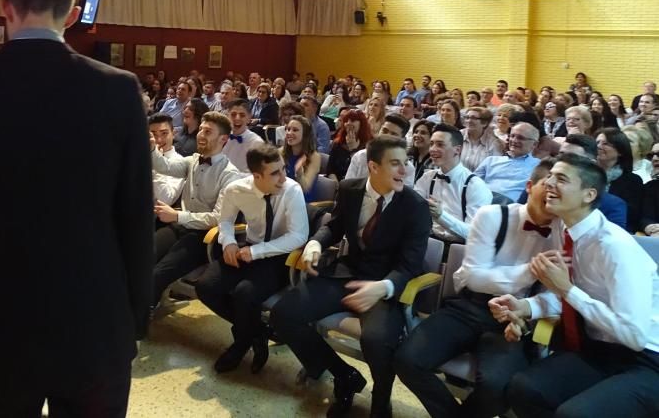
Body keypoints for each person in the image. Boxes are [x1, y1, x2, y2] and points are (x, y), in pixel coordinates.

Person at [0, 0, 152, 417]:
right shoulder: (118, 90)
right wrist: (134, 315)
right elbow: (135, 214)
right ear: (71, 16)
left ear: (5, 8)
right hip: (94, 318)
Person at [270, 136, 431, 418]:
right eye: (395, 164)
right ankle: (343, 375)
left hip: (384, 284)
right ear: (373, 166)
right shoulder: (350, 189)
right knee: (283, 314)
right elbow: (334, 225)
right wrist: (316, 242)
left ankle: (381, 401)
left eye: (405, 163)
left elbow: (411, 264)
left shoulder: (414, 206)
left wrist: (383, 287)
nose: (404, 171)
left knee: (377, 340)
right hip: (346, 273)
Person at [493, 153, 659, 418]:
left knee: (575, 414)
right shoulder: (564, 229)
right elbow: (577, 296)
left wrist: (566, 289)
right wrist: (527, 306)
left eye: (561, 179)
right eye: (549, 176)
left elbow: (635, 335)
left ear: (588, 195)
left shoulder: (614, 247)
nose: (548, 183)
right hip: (600, 348)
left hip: (647, 358)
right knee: (523, 388)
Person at [396, 159, 559, 418]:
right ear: (529, 186)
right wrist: (532, 271)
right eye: (548, 185)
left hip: (516, 319)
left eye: (561, 188)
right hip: (471, 305)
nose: (554, 193)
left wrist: (527, 311)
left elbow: (561, 293)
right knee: (407, 359)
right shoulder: (494, 216)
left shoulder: (566, 234)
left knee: (499, 386)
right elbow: (475, 278)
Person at [196, 144, 309, 374]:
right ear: (256, 176)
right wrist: (228, 241)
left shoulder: (291, 189)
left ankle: (240, 343)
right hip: (249, 247)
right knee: (206, 287)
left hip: (280, 256)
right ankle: (257, 332)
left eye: (283, 169)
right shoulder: (236, 189)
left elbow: (299, 236)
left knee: (245, 294)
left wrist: (256, 252)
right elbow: (225, 221)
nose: (282, 177)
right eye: (275, 173)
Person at [151, 111, 241, 306]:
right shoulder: (192, 160)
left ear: (223, 139)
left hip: (204, 236)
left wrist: (177, 215)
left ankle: (139, 322)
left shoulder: (230, 174)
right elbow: (165, 166)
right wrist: (151, 149)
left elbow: (218, 218)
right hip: (180, 226)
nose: (200, 134)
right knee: (141, 257)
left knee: (158, 274)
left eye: (208, 131)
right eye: (200, 129)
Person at [414, 123, 492, 242]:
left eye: (440, 145)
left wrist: (441, 216)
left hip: (459, 248)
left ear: (457, 150)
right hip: (427, 240)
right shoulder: (427, 177)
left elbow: (473, 233)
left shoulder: (475, 185)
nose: (433, 149)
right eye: (431, 144)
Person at [474, 122, 541, 203]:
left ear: (534, 144)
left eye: (520, 138)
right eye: (512, 136)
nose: (514, 140)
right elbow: (472, 183)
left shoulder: (538, 166)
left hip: (511, 209)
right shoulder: (490, 161)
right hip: (481, 202)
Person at [594, 127, 643, 234]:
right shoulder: (586, 174)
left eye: (605, 144)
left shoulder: (632, 181)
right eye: (597, 142)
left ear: (620, 151)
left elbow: (631, 216)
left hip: (616, 231)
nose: (599, 146)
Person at [345, 115, 412, 183]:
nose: (387, 136)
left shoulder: (408, 168)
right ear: (379, 131)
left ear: (402, 140)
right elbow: (348, 186)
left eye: (393, 134)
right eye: (384, 131)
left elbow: (403, 192)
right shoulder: (361, 156)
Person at [281, 115, 323, 203]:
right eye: (288, 129)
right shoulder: (280, 152)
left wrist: (299, 174)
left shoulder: (314, 157)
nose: (289, 132)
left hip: (302, 203)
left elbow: (305, 189)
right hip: (282, 199)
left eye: (295, 130)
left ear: (305, 135)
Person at [149, 113, 183, 209]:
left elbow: (166, 200)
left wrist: (156, 161)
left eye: (164, 133)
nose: (158, 140)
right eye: (154, 134)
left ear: (173, 134)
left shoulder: (179, 162)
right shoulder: (140, 155)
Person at [327, 109, 371, 180]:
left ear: (361, 124)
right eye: (346, 121)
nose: (348, 123)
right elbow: (330, 169)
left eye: (353, 121)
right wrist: (334, 181)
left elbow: (361, 173)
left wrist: (353, 150)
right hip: (335, 183)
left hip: (354, 184)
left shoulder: (368, 146)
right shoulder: (338, 143)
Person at [221, 99, 263, 173]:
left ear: (249, 118)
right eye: (233, 114)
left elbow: (257, 171)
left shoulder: (256, 143)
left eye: (242, 115)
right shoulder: (221, 137)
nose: (237, 118)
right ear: (227, 116)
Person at [461, 106, 503, 172]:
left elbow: (496, 169)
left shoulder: (493, 143)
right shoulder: (457, 136)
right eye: (467, 117)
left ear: (484, 123)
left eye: (473, 118)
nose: (469, 121)